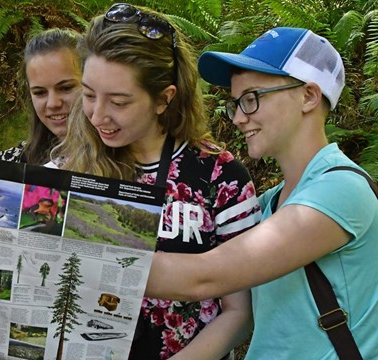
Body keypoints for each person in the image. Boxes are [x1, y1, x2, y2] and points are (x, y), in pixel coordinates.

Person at [145, 27, 378, 359]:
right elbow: (239, 311)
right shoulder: (271, 203)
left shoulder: (340, 190)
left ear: (309, 96)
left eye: (252, 99)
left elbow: (205, 277)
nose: (239, 118)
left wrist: (75, 251)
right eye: (235, 103)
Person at [51, 4, 261, 359]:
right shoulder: (68, 168)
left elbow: (241, 312)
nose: (98, 115)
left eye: (118, 102)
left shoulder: (220, 178)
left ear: (164, 99)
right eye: (88, 95)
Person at [0, 28, 82, 164]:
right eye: (40, 93)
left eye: (66, 88)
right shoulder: (12, 164)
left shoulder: (122, 164)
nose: (53, 104)